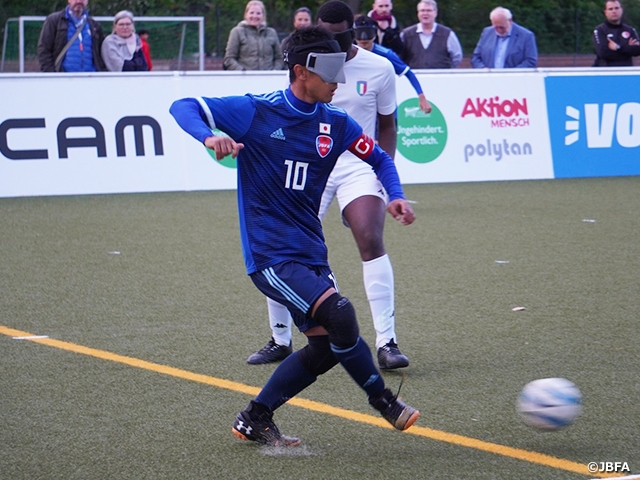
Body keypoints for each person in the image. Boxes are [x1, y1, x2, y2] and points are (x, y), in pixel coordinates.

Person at [170, 25, 420, 447]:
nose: (339, 83)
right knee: (340, 315)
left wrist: (394, 195)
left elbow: (379, 158)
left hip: (309, 253)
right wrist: (209, 136)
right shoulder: (256, 111)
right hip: (270, 255)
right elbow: (183, 105)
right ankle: (384, 403)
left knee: (325, 346)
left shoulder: (335, 123)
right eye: (331, 75)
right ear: (302, 72)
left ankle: (255, 417)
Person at [248, 0, 413, 372]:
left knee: (370, 237)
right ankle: (280, 339)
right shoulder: (311, 62)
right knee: (281, 245)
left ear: (354, 32)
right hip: (310, 165)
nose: (332, 46)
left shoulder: (380, 67)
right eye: (325, 37)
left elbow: (387, 127)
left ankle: (387, 342)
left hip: (358, 165)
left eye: (339, 38)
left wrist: (381, 179)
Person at [354, 15, 432, 114]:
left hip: (383, 109)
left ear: (374, 33)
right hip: (358, 107)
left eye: (368, 33)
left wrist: (421, 96)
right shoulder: (348, 55)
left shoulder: (386, 54)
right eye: (359, 33)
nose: (363, 39)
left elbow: (408, 73)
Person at [36, 0, 106, 72]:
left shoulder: (95, 25)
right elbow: (44, 50)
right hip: (63, 78)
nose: (79, 1)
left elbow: (102, 54)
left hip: (90, 78)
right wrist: (51, 75)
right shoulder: (54, 21)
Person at [400, 0, 463, 69]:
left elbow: (457, 57)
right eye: (422, 10)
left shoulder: (448, 34)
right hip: (414, 77)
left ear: (435, 13)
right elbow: (399, 56)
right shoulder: (406, 34)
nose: (425, 13)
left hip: (441, 77)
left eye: (429, 10)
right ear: (418, 13)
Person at [223, 0, 284, 71]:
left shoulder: (271, 33)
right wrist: (242, 71)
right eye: (251, 13)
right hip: (244, 78)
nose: (255, 16)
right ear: (246, 14)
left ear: (263, 15)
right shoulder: (237, 32)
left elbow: (279, 58)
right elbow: (229, 59)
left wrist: (275, 70)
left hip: (268, 78)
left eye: (258, 13)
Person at [470, 7, 538, 69]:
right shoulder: (487, 32)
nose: (498, 30)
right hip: (489, 79)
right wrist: (482, 68)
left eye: (501, 27)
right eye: (495, 27)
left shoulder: (526, 36)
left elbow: (530, 61)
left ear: (510, 21)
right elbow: (476, 58)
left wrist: (511, 73)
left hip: (514, 80)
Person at [593, 0, 640, 67]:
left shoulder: (630, 30)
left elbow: (637, 50)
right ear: (605, 12)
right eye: (610, 9)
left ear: (621, 10)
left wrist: (618, 47)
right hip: (605, 72)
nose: (614, 11)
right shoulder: (599, 30)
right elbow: (603, 53)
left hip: (626, 71)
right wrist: (628, 50)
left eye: (616, 8)